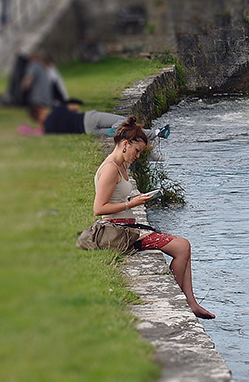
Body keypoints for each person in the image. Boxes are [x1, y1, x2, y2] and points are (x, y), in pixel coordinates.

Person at [93, 117, 214, 319]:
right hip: (118, 231)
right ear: (125, 144)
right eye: (137, 151)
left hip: (127, 227)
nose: (138, 156)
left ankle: (190, 302)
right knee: (182, 246)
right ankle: (181, 300)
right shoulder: (110, 168)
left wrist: (134, 199)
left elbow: (117, 197)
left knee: (184, 246)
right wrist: (131, 204)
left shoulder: (120, 165)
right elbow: (99, 208)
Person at [28, 102, 169, 138]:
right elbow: (74, 107)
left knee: (126, 131)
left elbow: (41, 131)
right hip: (89, 119)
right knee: (125, 121)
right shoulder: (56, 111)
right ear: (41, 111)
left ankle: (156, 133)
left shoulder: (49, 128)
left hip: (87, 131)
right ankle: (117, 128)